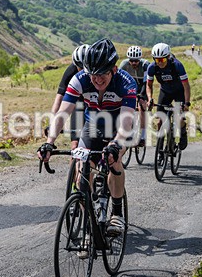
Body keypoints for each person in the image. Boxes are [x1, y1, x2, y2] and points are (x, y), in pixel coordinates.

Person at [38, 39, 136, 237]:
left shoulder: (126, 82)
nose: (97, 80)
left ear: (113, 69)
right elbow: (62, 114)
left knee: (114, 160)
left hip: (119, 127)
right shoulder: (80, 79)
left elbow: (126, 122)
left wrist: (116, 144)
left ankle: (117, 213)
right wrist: (49, 143)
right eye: (93, 75)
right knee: (82, 167)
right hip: (93, 127)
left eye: (102, 75)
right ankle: (89, 218)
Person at [146, 42, 191, 150]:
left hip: (179, 91)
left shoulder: (177, 65)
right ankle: (160, 146)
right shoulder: (152, 67)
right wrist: (150, 99)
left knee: (179, 117)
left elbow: (186, 86)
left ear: (168, 57)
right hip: (165, 92)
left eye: (162, 59)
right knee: (160, 120)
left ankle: (183, 134)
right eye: (157, 60)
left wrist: (186, 103)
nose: (160, 63)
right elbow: (149, 85)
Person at [50, 44, 88, 149]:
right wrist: (52, 123)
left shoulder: (99, 74)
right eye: (80, 67)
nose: (83, 71)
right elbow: (59, 99)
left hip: (98, 107)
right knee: (75, 146)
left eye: (86, 67)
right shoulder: (71, 72)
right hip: (79, 105)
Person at [119, 45, 149, 146]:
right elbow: (119, 80)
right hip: (130, 87)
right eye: (131, 61)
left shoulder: (145, 65)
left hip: (142, 87)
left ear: (140, 59)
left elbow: (146, 83)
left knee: (142, 107)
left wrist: (142, 96)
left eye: (136, 61)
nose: (134, 63)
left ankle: (143, 136)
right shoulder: (124, 64)